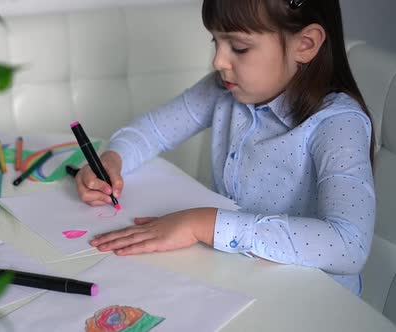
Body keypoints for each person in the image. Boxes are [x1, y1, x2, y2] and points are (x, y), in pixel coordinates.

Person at [74, 0, 376, 296]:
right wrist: (112, 160)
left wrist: (201, 223)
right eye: (215, 41)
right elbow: (152, 131)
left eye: (239, 47)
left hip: (309, 301)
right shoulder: (223, 89)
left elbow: (349, 244)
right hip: (234, 278)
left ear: (305, 44)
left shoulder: (338, 123)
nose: (218, 61)